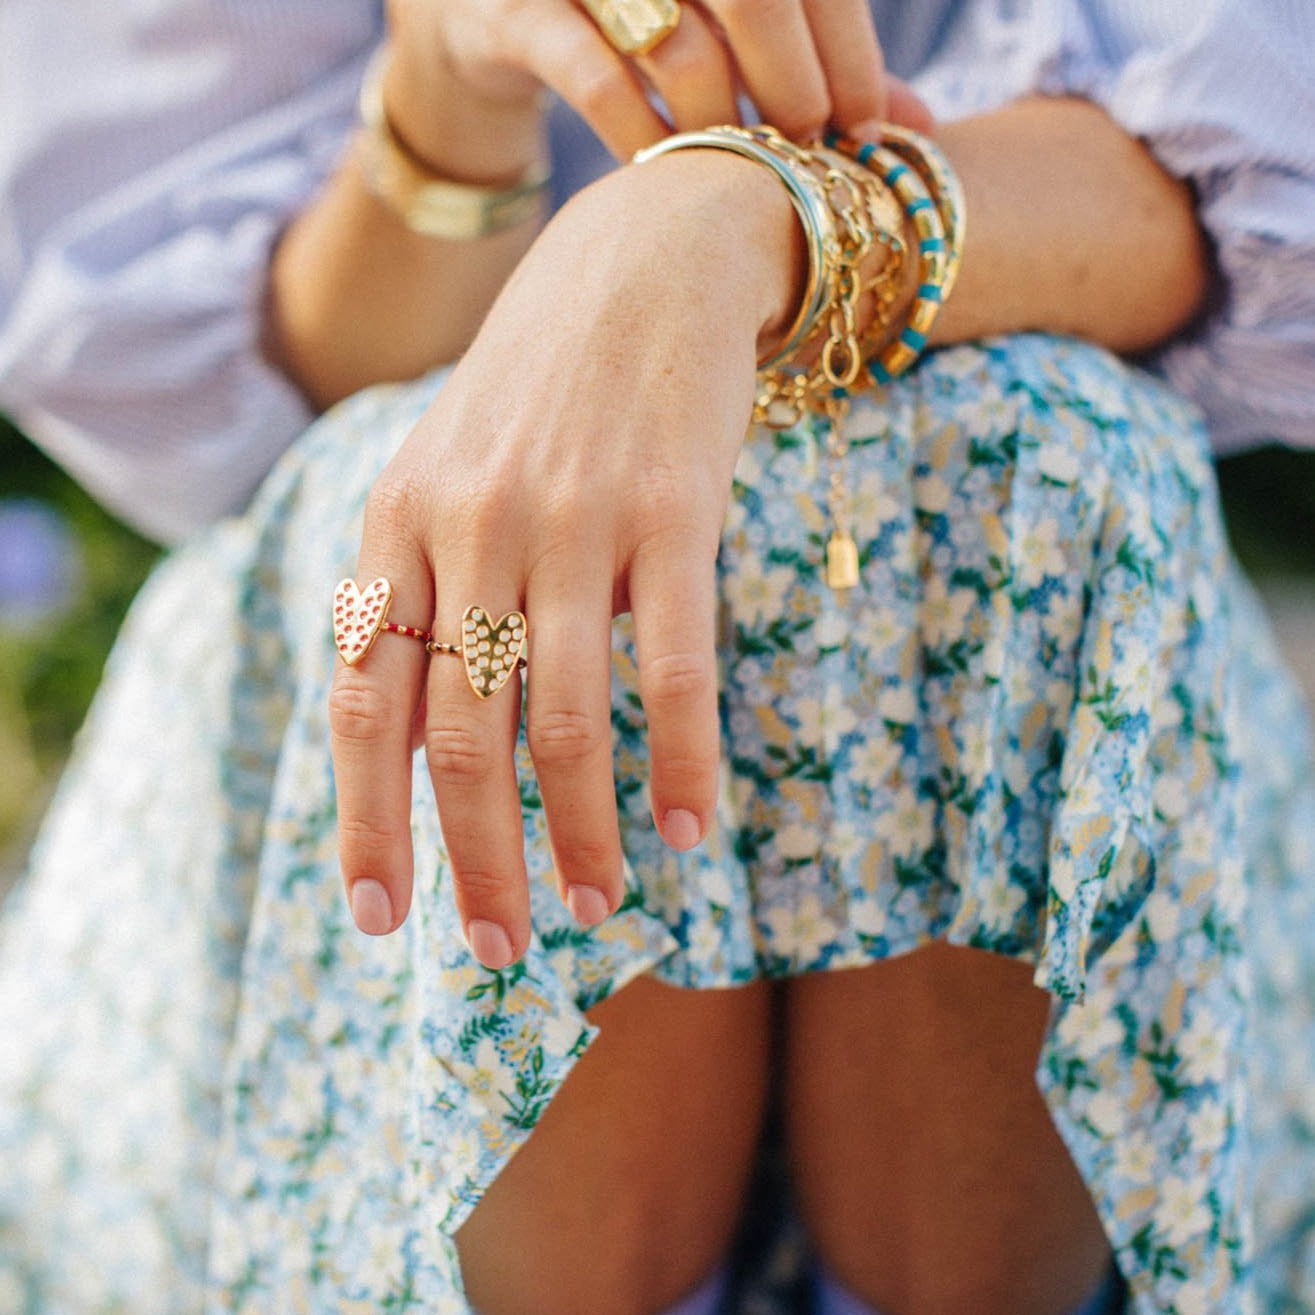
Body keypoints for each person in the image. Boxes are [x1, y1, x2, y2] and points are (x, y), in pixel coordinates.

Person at [1, 3, 1313, 1314]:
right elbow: (286, 403)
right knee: (480, 510)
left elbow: (1243, 174)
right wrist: (447, 92)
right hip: (380, 663)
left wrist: (743, 220)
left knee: (1020, 449)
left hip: (1006, 515)